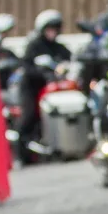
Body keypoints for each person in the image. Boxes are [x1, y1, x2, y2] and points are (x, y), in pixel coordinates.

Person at [16, 9, 72, 164]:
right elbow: (26, 67)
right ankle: (21, 155)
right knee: (29, 116)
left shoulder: (60, 48)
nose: (52, 33)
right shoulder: (33, 46)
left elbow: (70, 61)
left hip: (53, 89)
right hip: (32, 87)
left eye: (55, 29)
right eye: (49, 29)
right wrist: (42, 73)